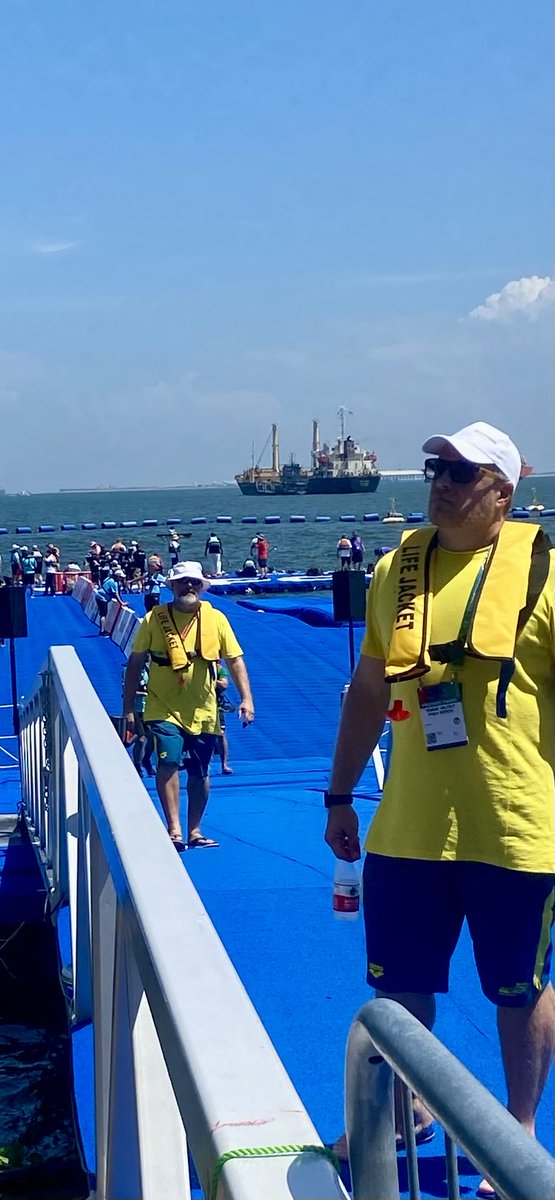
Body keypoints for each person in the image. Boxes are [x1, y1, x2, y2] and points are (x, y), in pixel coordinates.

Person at [324, 421, 554, 1182]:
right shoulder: (399, 568)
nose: (440, 485)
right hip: (410, 828)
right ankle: (401, 1113)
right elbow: (366, 690)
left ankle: (517, 1132)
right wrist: (339, 794)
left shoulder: (544, 575)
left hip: (515, 828)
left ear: (501, 493)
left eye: (460, 475)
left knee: (517, 990)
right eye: (435, 469)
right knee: (396, 990)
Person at [123, 561, 254, 852]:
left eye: (194, 582)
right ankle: (174, 828)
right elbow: (134, 664)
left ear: (202, 586)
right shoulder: (153, 620)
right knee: (167, 761)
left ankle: (195, 829)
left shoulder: (216, 619)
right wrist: (130, 707)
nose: (189, 587)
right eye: (183, 582)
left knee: (200, 771)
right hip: (162, 706)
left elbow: (234, 660)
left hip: (203, 709)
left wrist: (247, 699)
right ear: (172, 586)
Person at [215, 660, 234, 774]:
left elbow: (224, 684)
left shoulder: (220, 670)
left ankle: (224, 764)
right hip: (199, 706)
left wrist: (211, 680)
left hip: (217, 707)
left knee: (221, 735)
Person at [95, 566, 123, 634]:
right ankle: (102, 631)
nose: (122, 579)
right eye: (121, 577)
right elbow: (116, 594)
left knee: (102, 614)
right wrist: (121, 603)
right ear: (117, 577)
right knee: (103, 614)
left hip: (98, 596)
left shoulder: (108, 578)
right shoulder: (114, 583)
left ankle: (102, 629)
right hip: (102, 598)